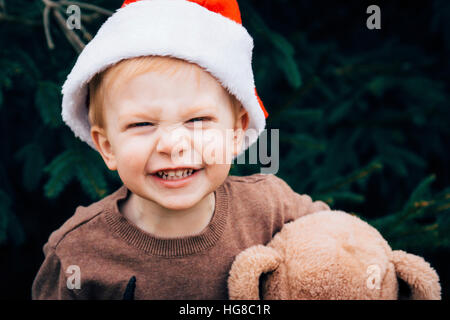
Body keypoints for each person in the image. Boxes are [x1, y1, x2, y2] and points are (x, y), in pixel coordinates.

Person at [32, 0, 330, 299]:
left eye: (198, 120)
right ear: (108, 147)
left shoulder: (274, 208)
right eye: (142, 124)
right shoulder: (78, 254)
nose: (173, 145)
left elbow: (347, 249)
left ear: (236, 131)